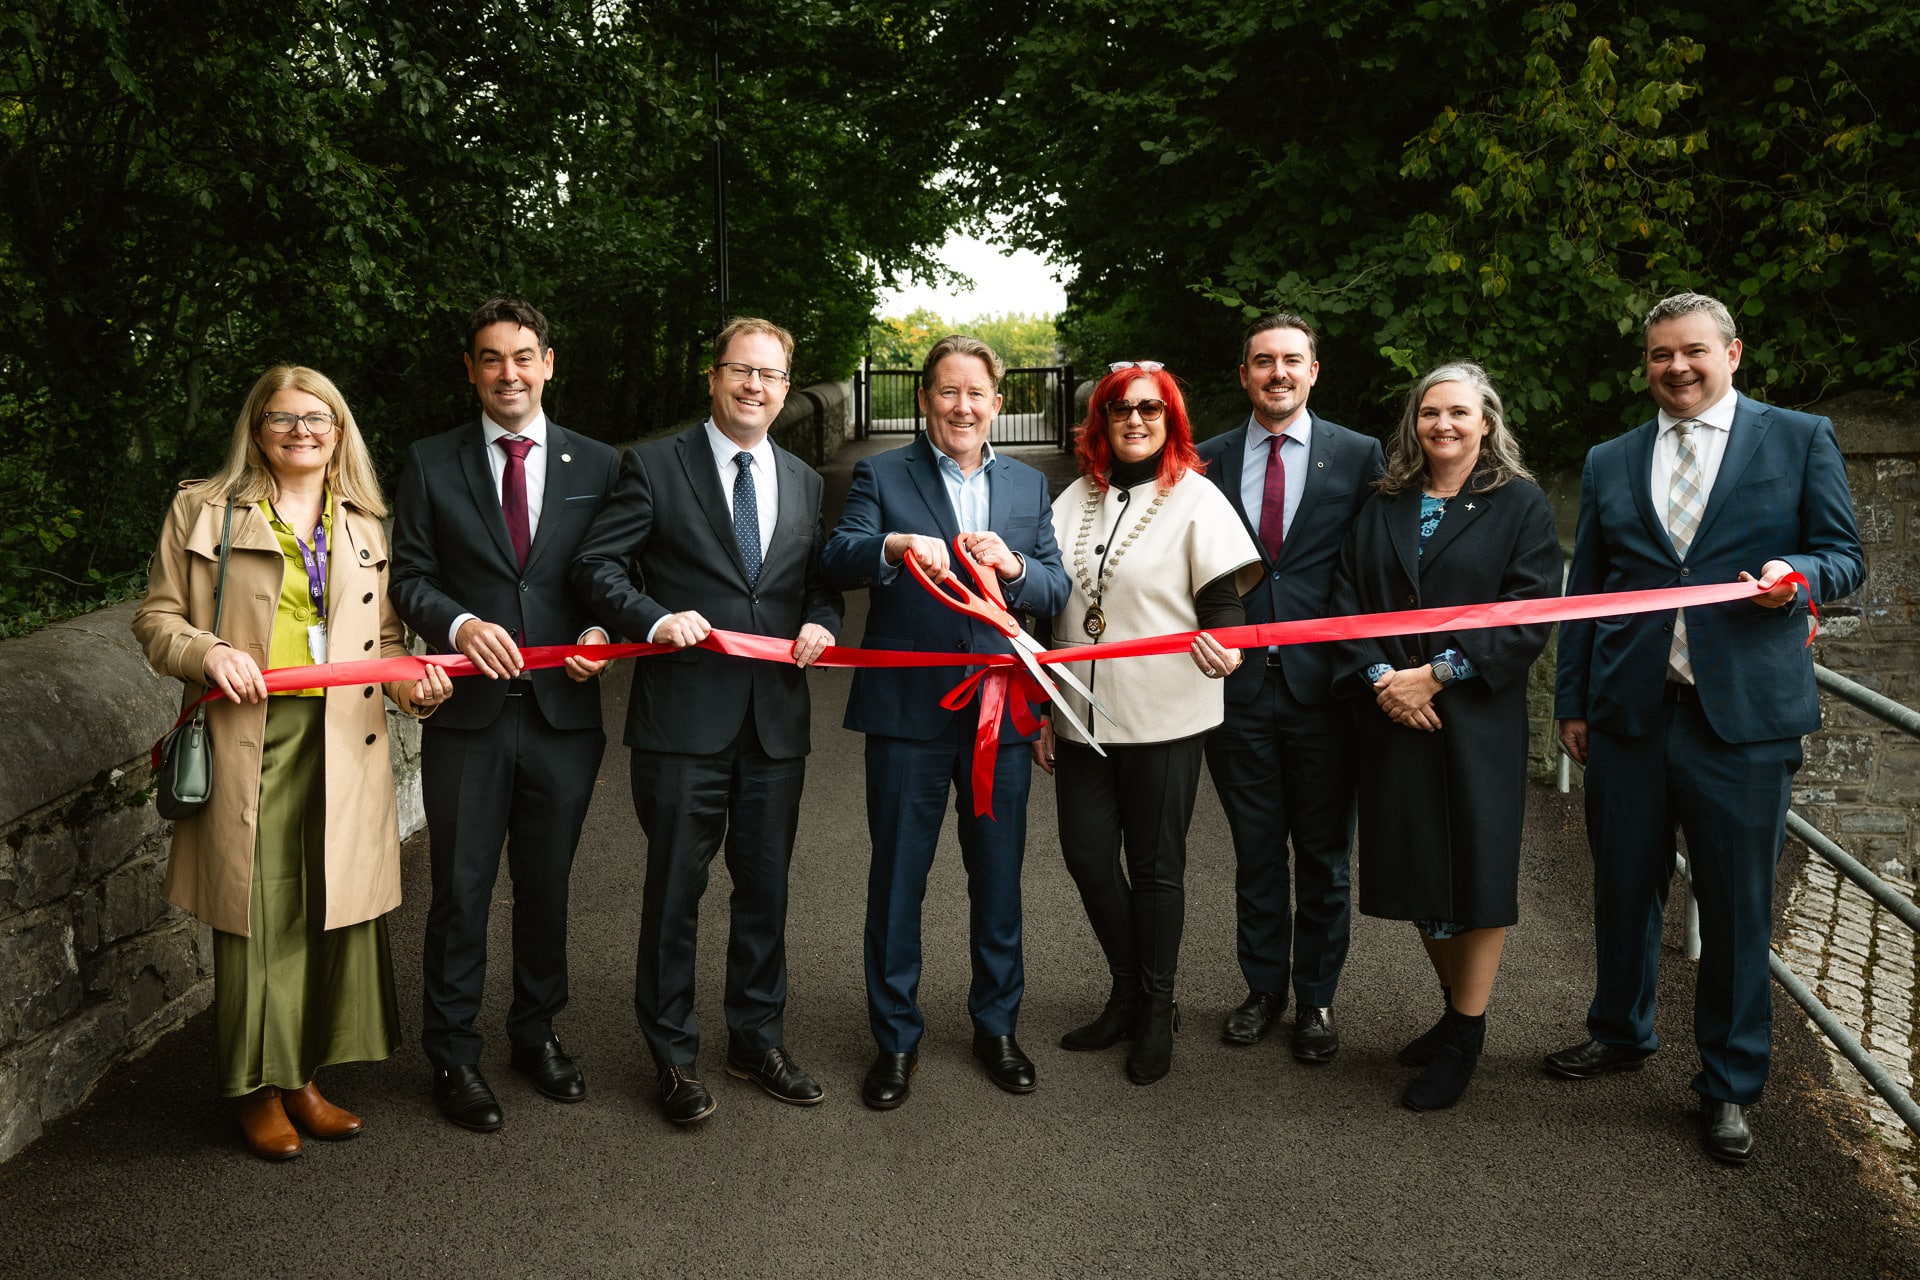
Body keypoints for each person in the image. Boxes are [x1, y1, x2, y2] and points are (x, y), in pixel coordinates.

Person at [1550, 293, 1864, 1164]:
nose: (1676, 368)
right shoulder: (1612, 459)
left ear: (1732, 353)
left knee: (1735, 908)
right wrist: (1572, 702)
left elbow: (1845, 557)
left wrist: (1794, 574)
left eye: (1693, 351)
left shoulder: (1797, 438)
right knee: (1623, 887)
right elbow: (1588, 594)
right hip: (1629, 714)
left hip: (1744, 723)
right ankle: (1620, 1030)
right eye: (1660, 355)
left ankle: (1728, 1083)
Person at [132, 365, 452, 1160]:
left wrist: (415, 688)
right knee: (259, 915)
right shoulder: (204, 509)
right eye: (282, 418)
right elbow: (156, 618)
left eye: (317, 418)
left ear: (339, 433)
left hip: (343, 743)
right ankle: (255, 1088)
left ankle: (302, 1075)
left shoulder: (367, 523)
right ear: (256, 428)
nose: (300, 431)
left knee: (326, 912)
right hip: (250, 740)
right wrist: (206, 652)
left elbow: (383, 644)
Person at [571, 316, 843, 1125]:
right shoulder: (655, 466)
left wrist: (822, 620)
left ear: (786, 388)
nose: (755, 386)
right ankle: (673, 1057)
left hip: (774, 724)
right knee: (674, 894)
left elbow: (817, 583)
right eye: (740, 370)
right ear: (714, 376)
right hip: (682, 722)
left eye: (770, 374)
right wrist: (653, 618)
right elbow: (597, 565)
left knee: (765, 891)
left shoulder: (804, 480)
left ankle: (756, 1040)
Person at [389, 297, 621, 1132]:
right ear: (471, 369)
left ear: (548, 363)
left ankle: (536, 1033)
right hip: (469, 717)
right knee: (460, 889)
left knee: (546, 886)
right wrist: (457, 624)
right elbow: (408, 576)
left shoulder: (601, 463)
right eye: (491, 358)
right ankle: (453, 1053)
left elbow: (616, 573)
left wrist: (602, 631)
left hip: (564, 715)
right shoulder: (430, 462)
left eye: (523, 356)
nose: (509, 373)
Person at [822, 334, 1071, 1110]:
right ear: (926, 398)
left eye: (975, 393)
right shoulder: (882, 474)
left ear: (997, 401)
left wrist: (1017, 569)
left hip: (1001, 713)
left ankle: (997, 1027)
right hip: (907, 714)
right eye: (947, 392)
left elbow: (1056, 589)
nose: (962, 407)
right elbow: (839, 554)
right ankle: (895, 1039)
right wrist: (893, 546)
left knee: (998, 880)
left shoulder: (1029, 486)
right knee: (898, 880)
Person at [1327, 362, 1561, 1110]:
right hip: (1394, 715)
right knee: (1416, 869)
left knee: (1477, 871)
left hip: (1474, 717)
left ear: (1486, 423)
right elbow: (1345, 599)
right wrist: (1381, 681)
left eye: (1459, 412)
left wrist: (1436, 674)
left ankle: (1465, 1033)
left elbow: (1529, 608)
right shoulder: (1384, 502)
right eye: (1431, 413)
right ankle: (1455, 1008)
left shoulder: (1519, 503)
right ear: (1415, 423)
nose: (1444, 425)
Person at [1035, 362, 1261, 1085]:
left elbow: (1224, 607)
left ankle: (1156, 1010)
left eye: (1150, 410)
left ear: (1170, 421)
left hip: (1165, 714)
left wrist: (1227, 646)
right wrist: (1041, 709)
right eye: (1120, 409)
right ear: (1100, 420)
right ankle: (1127, 991)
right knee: (1087, 857)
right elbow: (1044, 605)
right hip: (1079, 714)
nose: (1135, 420)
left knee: (1157, 867)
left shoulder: (1196, 497)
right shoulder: (1073, 497)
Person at [1196, 313, 1384, 1062]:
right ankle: (1263, 989)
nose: (1278, 372)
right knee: (1255, 853)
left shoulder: (1361, 456)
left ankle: (1317, 1000)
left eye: (1292, 361)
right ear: (1244, 374)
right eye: (1263, 361)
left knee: (1325, 857)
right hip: (1233, 690)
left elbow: (1375, 567)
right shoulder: (1203, 460)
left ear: (1313, 372)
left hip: (1326, 691)